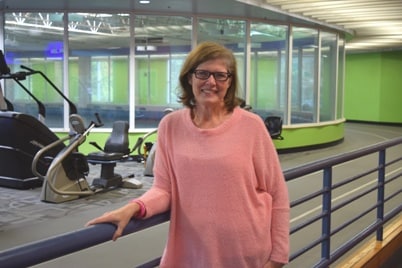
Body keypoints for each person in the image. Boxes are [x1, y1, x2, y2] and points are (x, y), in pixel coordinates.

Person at [86, 41, 290, 268]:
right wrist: (134, 207)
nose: (211, 82)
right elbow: (164, 189)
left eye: (220, 75)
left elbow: (277, 193)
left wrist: (279, 256)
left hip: (246, 252)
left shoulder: (251, 126)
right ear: (189, 78)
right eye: (202, 73)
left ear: (229, 81)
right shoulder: (170, 126)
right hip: (191, 252)